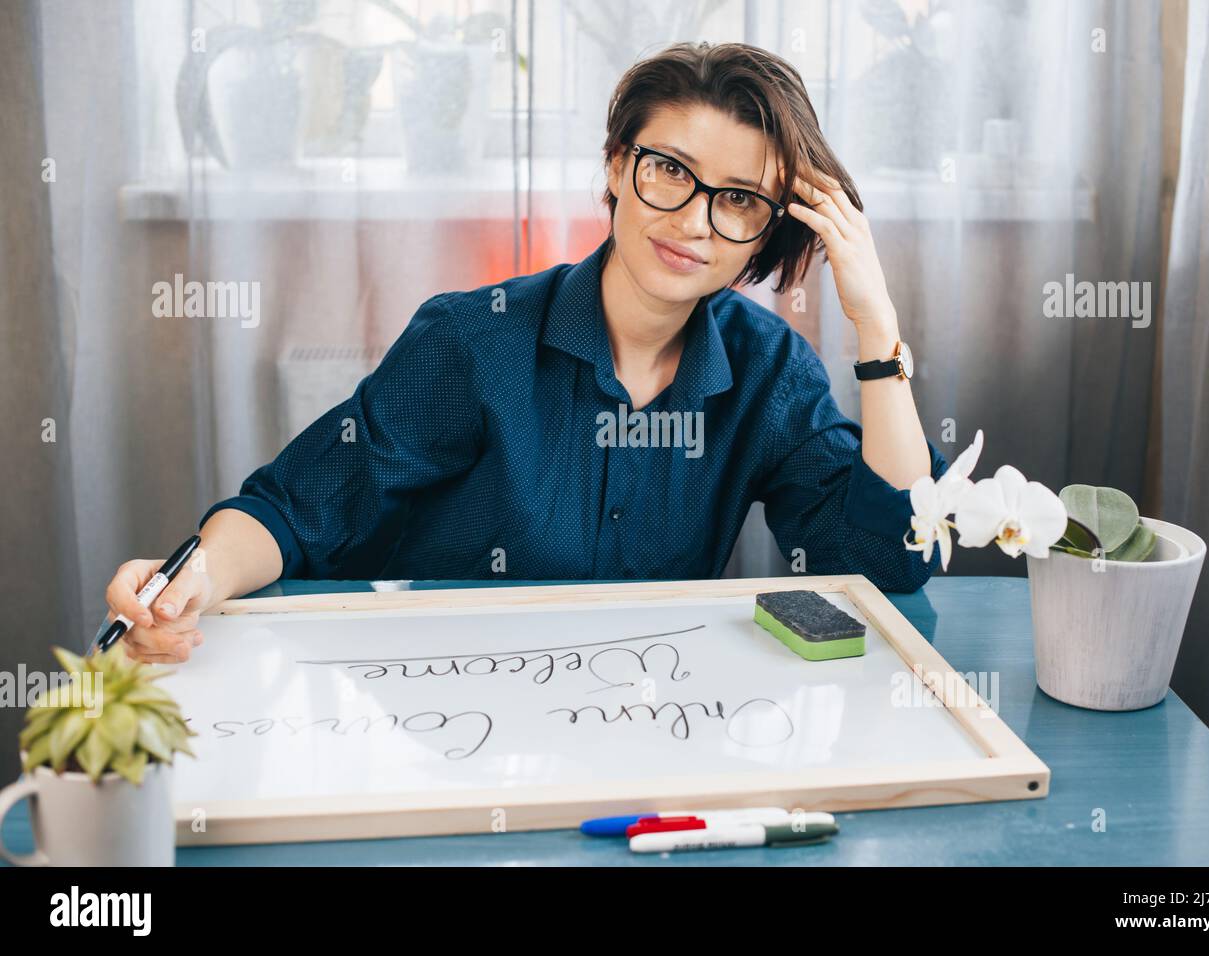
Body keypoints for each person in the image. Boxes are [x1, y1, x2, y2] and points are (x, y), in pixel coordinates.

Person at [104, 41, 949, 663]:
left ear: (769, 229)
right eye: (668, 171)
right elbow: (298, 508)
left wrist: (876, 331)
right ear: (618, 166)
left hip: (649, 715)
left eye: (738, 199)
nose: (693, 219)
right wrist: (193, 581)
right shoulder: (474, 341)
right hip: (442, 711)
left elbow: (891, 564)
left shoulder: (768, 372)